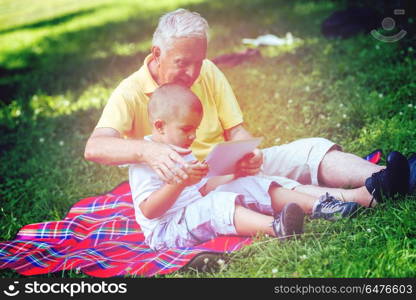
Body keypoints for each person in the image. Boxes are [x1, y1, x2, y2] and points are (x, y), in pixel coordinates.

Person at [85, 8, 412, 212]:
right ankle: (367, 194)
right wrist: (146, 151)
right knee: (270, 185)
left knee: (309, 148)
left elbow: (235, 130)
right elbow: (95, 147)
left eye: (197, 62)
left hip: (228, 169)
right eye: (181, 63)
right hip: (193, 190)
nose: (191, 73)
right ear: (157, 53)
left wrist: (247, 151)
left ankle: (387, 179)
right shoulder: (129, 91)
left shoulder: (208, 71)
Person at [129, 84, 360, 250]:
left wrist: (234, 174)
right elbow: (150, 210)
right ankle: (277, 228)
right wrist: (178, 183)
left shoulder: (182, 151)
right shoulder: (144, 162)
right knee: (214, 205)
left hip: (194, 208)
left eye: (196, 129)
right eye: (186, 129)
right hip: (166, 230)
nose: (193, 135)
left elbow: (202, 189)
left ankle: (322, 205)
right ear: (159, 126)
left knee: (247, 183)